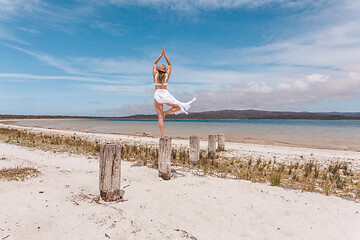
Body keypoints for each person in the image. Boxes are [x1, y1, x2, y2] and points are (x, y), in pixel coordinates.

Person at [153, 47, 196, 139]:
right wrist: (165, 56)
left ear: (158, 70)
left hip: (157, 95)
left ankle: (163, 136)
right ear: (164, 71)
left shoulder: (155, 75)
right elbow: (170, 64)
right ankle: (166, 113)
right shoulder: (166, 76)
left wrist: (160, 56)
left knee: (160, 117)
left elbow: (154, 63)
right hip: (165, 94)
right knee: (179, 107)